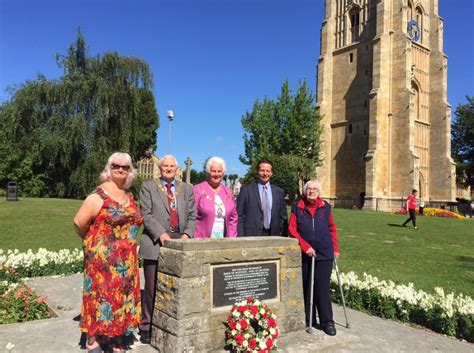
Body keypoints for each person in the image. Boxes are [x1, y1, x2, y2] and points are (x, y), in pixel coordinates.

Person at [73, 152, 143, 353]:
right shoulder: (99, 195)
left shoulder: (128, 196)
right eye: (115, 165)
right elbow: (79, 222)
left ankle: (114, 338)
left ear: (130, 171)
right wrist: (93, 243)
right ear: (108, 169)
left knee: (120, 298)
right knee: (98, 297)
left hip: (125, 263)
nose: (120, 169)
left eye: (125, 167)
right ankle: (92, 340)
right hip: (102, 261)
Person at [138, 155, 196, 344]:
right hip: (155, 241)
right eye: (165, 166)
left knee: (177, 286)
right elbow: (145, 214)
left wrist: (187, 234)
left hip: (180, 241)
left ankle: (170, 323)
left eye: (172, 166)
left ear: (178, 169)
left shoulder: (186, 188)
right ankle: (146, 325)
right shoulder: (149, 186)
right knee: (152, 287)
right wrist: (161, 234)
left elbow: (192, 215)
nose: (169, 168)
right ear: (160, 168)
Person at [288, 180, 339, 336]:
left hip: (324, 253)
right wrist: (305, 247)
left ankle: (327, 321)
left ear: (319, 192)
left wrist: (335, 249)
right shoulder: (298, 207)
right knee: (307, 286)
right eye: (309, 189)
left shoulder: (326, 207)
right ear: (305, 191)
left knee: (322, 288)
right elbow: (292, 230)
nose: (311, 191)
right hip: (306, 254)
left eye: (315, 189)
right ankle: (310, 317)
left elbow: (332, 228)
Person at [237, 159, 287, 236]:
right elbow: (239, 216)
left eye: (268, 171)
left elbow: (283, 216)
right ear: (257, 172)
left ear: (271, 173)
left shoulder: (279, 192)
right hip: (251, 235)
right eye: (262, 170)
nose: (265, 173)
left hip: (274, 235)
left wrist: (282, 234)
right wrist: (241, 236)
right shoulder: (246, 190)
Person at [193, 156, 238, 238]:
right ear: (208, 172)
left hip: (224, 239)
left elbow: (233, 217)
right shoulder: (197, 189)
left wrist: (232, 236)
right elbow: (192, 216)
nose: (217, 174)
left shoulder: (228, 191)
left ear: (223, 173)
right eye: (213, 171)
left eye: (219, 171)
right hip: (202, 239)